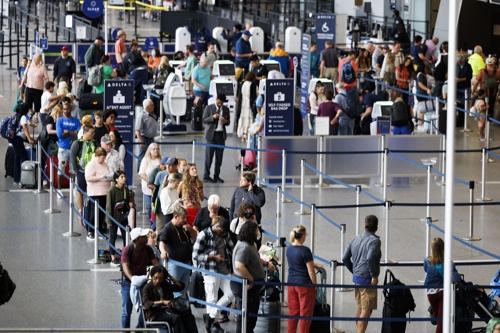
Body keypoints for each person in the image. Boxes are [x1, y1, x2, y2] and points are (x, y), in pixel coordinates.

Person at [231, 222, 275, 333]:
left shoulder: (251, 244)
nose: (258, 232)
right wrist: (251, 279)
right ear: (251, 232)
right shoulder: (244, 247)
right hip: (246, 286)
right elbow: (239, 266)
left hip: (253, 287)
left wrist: (266, 263)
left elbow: (255, 258)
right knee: (246, 316)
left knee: (252, 313)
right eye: (256, 230)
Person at [192, 216, 235, 333]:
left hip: (225, 270)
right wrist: (213, 257)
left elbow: (232, 248)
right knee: (212, 298)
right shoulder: (203, 235)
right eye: (223, 232)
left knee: (232, 292)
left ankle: (210, 317)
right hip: (210, 270)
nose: (224, 234)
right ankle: (214, 325)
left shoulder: (225, 234)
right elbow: (195, 255)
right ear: (217, 226)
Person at [342, 215, 382, 333]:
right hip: (368, 280)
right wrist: (374, 275)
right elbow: (370, 258)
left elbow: (345, 258)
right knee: (366, 309)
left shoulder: (355, 239)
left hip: (357, 279)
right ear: (376, 228)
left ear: (364, 226)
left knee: (360, 307)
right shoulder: (375, 241)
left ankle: (358, 330)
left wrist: (354, 270)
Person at [121, 228, 160, 331]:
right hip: (128, 282)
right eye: (143, 236)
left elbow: (156, 264)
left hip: (143, 281)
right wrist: (133, 279)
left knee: (146, 308)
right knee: (126, 311)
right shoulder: (127, 250)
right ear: (137, 239)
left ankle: (139, 329)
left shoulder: (148, 249)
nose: (146, 237)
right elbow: (125, 267)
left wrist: (163, 275)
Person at [287, 225, 323, 333]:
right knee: (305, 314)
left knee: (293, 313)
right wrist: (315, 285)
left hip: (291, 284)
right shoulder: (305, 250)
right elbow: (311, 271)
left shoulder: (289, 248)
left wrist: (314, 264)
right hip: (304, 286)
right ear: (303, 236)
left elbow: (298, 262)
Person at [142, 265, 199, 333]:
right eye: (155, 278)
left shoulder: (164, 284)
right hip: (156, 313)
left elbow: (180, 287)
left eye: (160, 278)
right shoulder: (147, 287)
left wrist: (170, 276)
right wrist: (162, 302)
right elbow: (146, 303)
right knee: (176, 318)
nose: (157, 281)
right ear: (152, 276)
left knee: (190, 317)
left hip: (169, 310)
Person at [423, 237, 462, 333]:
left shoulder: (426, 261)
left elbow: (425, 270)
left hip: (430, 293)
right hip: (443, 292)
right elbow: (456, 278)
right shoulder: (448, 262)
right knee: (441, 320)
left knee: (438, 318)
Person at [159, 206, 196, 296]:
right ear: (175, 217)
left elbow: (195, 236)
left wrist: (190, 229)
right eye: (183, 218)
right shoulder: (167, 228)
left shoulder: (185, 225)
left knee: (184, 288)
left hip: (186, 263)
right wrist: (163, 251)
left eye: (185, 217)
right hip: (175, 265)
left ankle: (182, 306)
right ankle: (175, 308)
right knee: (174, 289)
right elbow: (162, 243)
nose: (185, 220)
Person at [106, 170, 134, 267]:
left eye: (124, 176)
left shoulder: (125, 189)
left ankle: (125, 255)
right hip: (113, 217)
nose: (124, 178)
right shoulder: (112, 190)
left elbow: (128, 200)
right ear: (116, 179)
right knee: (112, 237)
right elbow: (109, 205)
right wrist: (109, 220)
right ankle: (113, 256)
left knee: (125, 236)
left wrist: (130, 203)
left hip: (123, 217)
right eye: (121, 177)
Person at [202, 94, 230, 183]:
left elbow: (228, 122)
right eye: (219, 102)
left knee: (219, 157)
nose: (220, 103)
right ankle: (206, 176)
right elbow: (204, 120)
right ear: (216, 99)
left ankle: (216, 176)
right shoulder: (209, 108)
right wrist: (212, 117)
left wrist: (226, 122)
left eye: (222, 102)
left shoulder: (226, 110)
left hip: (221, 135)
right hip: (211, 136)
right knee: (208, 157)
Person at [84, 146, 110, 239]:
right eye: (102, 157)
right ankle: (90, 231)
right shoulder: (91, 164)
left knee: (101, 214)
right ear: (97, 156)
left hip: (105, 192)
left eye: (104, 157)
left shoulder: (105, 164)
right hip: (95, 193)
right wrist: (100, 177)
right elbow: (88, 178)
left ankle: (98, 230)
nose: (103, 159)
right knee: (93, 214)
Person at [70, 124, 96, 216]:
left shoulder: (94, 143)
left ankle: (91, 208)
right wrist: (76, 171)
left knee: (92, 191)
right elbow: (72, 157)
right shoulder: (77, 143)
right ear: (85, 132)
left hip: (93, 172)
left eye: (94, 133)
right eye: (91, 133)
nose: (93, 134)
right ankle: (81, 209)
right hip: (81, 171)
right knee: (80, 191)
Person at [56, 100, 80, 198]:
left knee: (73, 170)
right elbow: (60, 135)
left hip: (73, 148)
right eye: (64, 109)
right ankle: (59, 189)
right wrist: (72, 132)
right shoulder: (60, 120)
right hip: (63, 148)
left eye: (67, 108)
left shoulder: (76, 120)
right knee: (61, 169)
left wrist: (68, 132)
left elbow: (79, 133)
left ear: (71, 109)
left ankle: (73, 189)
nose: (66, 110)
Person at [9, 103, 35, 185]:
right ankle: (26, 179)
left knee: (17, 157)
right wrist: (29, 139)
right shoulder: (23, 117)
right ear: (26, 110)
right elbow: (25, 129)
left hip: (14, 138)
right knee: (25, 158)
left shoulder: (16, 115)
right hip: (18, 139)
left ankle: (17, 179)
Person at [20, 53, 49, 122]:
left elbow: (46, 78)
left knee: (37, 103)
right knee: (28, 102)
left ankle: (36, 116)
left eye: (37, 59)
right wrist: (21, 84)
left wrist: (48, 86)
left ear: (39, 60)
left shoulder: (42, 67)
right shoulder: (29, 65)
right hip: (29, 86)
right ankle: (31, 112)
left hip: (38, 88)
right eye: (34, 58)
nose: (35, 60)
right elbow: (25, 75)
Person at [138, 143, 162, 227]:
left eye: (157, 149)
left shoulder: (161, 160)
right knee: (149, 206)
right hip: (148, 188)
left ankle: (157, 224)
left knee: (157, 206)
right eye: (154, 149)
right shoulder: (145, 160)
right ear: (150, 150)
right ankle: (151, 222)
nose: (156, 150)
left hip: (159, 187)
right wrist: (150, 181)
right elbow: (141, 173)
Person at [135, 98, 158, 172]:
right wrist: (141, 142)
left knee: (152, 155)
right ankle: (140, 171)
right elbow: (137, 130)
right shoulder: (141, 116)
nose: (154, 106)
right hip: (144, 138)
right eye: (152, 105)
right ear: (147, 107)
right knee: (142, 156)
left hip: (151, 139)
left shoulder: (153, 114)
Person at [237, 72, 257, 140]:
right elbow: (255, 96)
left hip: (243, 104)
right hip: (249, 105)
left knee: (243, 119)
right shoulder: (253, 85)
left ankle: (243, 134)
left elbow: (240, 95)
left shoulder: (243, 84)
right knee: (249, 119)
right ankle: (249, 135)